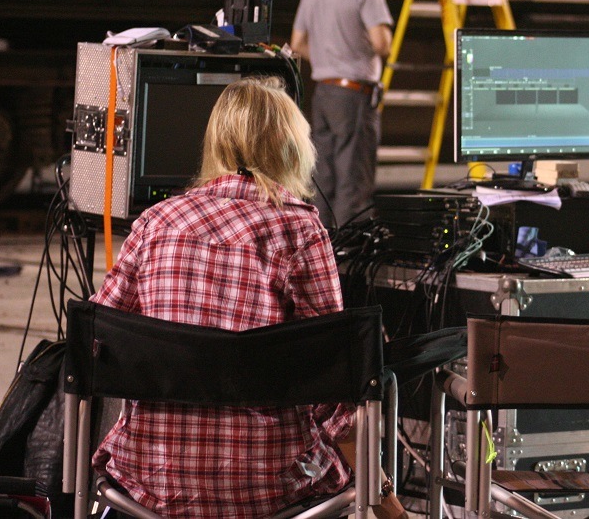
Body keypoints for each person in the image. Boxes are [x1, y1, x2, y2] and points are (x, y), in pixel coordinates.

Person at [91, 77, 405, 518]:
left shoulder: (155, 223)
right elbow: (334, 388)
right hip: (272, 485)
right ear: (290, 148)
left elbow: (97, 336)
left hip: (152, 481)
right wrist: (389, 502)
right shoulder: (300, 230)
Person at [290, 0, 394, 229]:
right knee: (353, 179)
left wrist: (328, 60)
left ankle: (321, 242)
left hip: (323, 92)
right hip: (355, 96)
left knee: (323, 179)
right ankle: (349, 249)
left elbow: (297, 43)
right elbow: (382, 44)